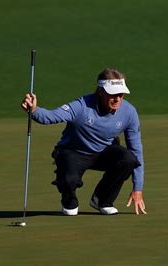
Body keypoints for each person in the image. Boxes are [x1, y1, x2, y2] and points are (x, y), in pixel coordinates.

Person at [20, 68, 146, 216]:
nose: (117, 99)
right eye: (112, 94)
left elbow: (136, 149)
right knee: (70, 201)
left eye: (121, 94)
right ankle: (69, 200)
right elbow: (51, 116)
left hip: (103, 153)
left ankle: (102, 200)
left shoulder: (129, 112)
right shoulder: (81, 105)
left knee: (129, 159)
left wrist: (138, 188)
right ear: (100, 92)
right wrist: (34, 110)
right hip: (73, 152)